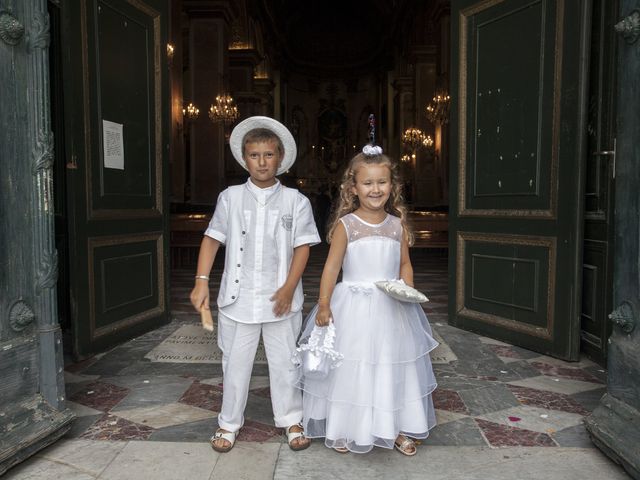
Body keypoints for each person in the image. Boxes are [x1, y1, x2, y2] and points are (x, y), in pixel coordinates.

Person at [295, 144, 438, 455]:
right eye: (368, 183)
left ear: (393, 186)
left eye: (382, 182)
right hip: (354, 307)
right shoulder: (347, 226)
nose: (376, 189)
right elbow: (332, 268)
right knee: (353, 367)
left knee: (394, 365)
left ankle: (395, 427)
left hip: (392, 307)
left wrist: (408, 291)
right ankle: (347, 426)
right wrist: (323, 304)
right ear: (353, 188)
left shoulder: (397, 224)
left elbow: (404, 264)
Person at [190, 116, 320, 453]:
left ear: (280, 157)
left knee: (285, 362)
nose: (261, 162)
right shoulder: (230, 197)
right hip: (239, 297)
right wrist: (201, 281)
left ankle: (291, 419)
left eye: (268, 155)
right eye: (254, 155)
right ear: (244, 158)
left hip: (281, 297)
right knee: (234, 363)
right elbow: (212, 239)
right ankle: (228, 422)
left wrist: (290, 287)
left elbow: (302, 247)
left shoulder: (296, 201)